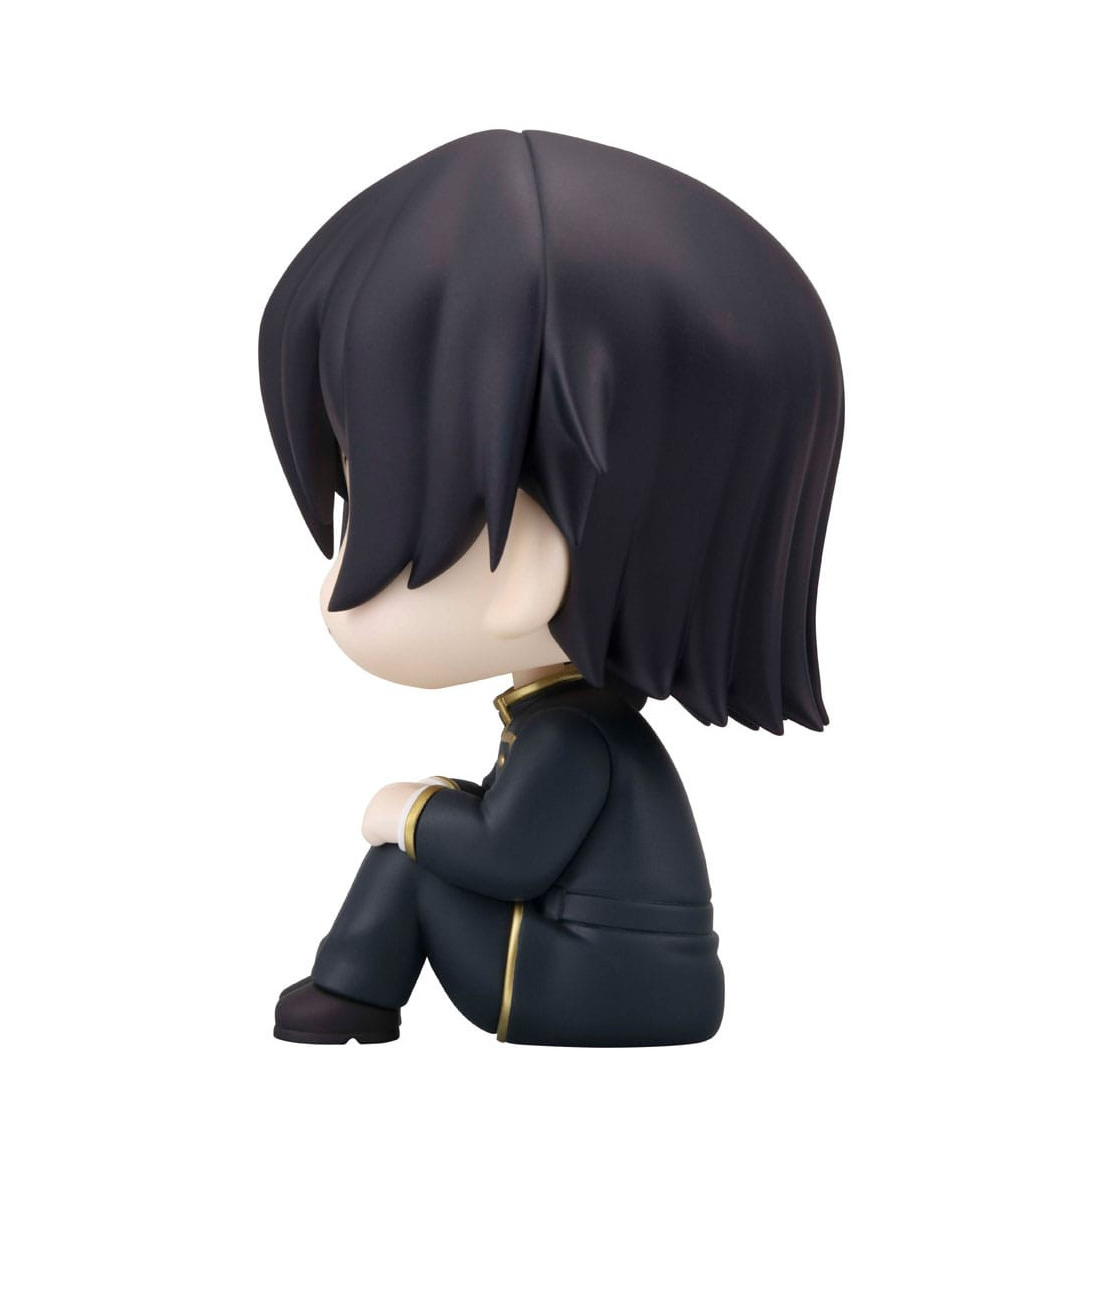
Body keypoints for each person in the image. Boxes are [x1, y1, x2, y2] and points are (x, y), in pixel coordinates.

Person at [259, 129, 843, 1046]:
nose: (337, 580)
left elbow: (507, 859)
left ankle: (351, 996)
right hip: (620, 976)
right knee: (417, 841)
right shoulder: (574, 729)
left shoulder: (573, 740)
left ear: (523, 566)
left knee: (402, 858)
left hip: (591, 985)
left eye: (374, 513)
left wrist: (408, 810)